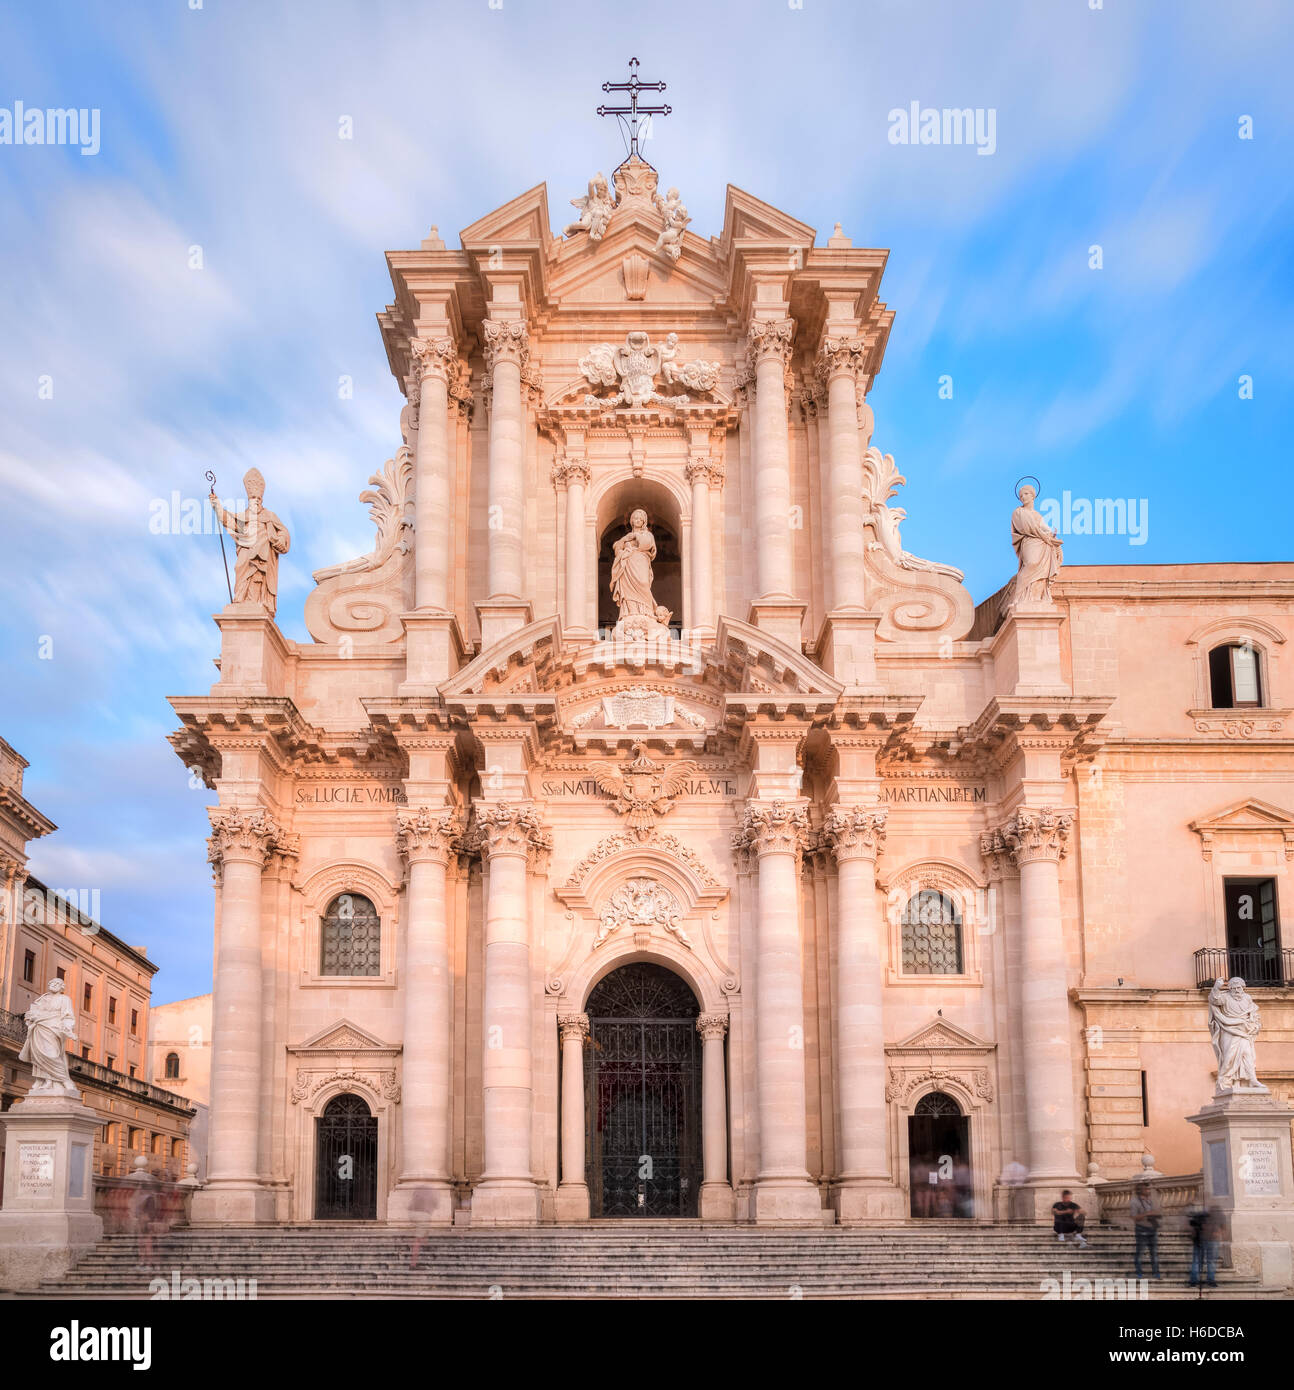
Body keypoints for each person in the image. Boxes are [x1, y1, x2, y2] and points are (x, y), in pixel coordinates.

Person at [1130, 1179, 1162, 1279]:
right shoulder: (1135, 1202)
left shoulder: (1150, 1201)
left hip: (1152, 1229)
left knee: (1154, 1253)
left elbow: (1158, 1212)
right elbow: (1134, 1217)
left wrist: (1155, 1214)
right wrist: (1147, 1214)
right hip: (1141, 1229)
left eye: (1149, 1188)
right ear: (1141, 1190)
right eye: (1146, 1189)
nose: (1149, 1190)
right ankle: (1139, 1272)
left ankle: (1156, 1273)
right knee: (1140, 1252)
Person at [1188, 1204, 1222, 1288]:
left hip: (1206, 1241)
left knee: (1199, 1261)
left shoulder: (1201, 1216)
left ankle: (1196, 1281)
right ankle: (1208, 1280)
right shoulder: (1205, 1217)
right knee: (1204, 1261)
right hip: (1203, 1240)